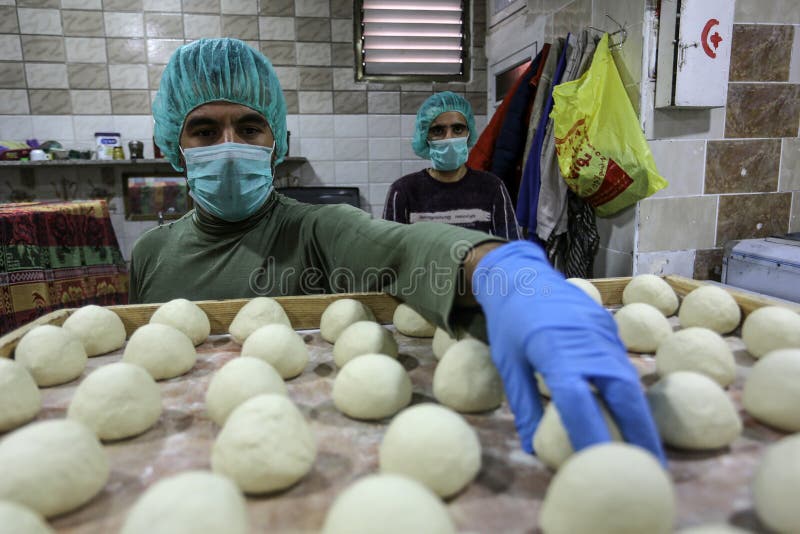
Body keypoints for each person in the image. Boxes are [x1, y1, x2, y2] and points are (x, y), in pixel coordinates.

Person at [130, 38, 664, 465]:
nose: (230, 145)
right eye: (204, 130)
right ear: (172, 144)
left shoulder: (316, 229)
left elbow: (400, 248)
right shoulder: (152, 253)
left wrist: (507, 272)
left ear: (278, 142)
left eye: (249, 127)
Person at [383, 92, 520, 240]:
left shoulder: (492, 187)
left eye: (458, 129)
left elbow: (512, 250)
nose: (449, 138)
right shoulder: (403, 191)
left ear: (469, 134)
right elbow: (388, 251)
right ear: (425, 137)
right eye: (438, 131)